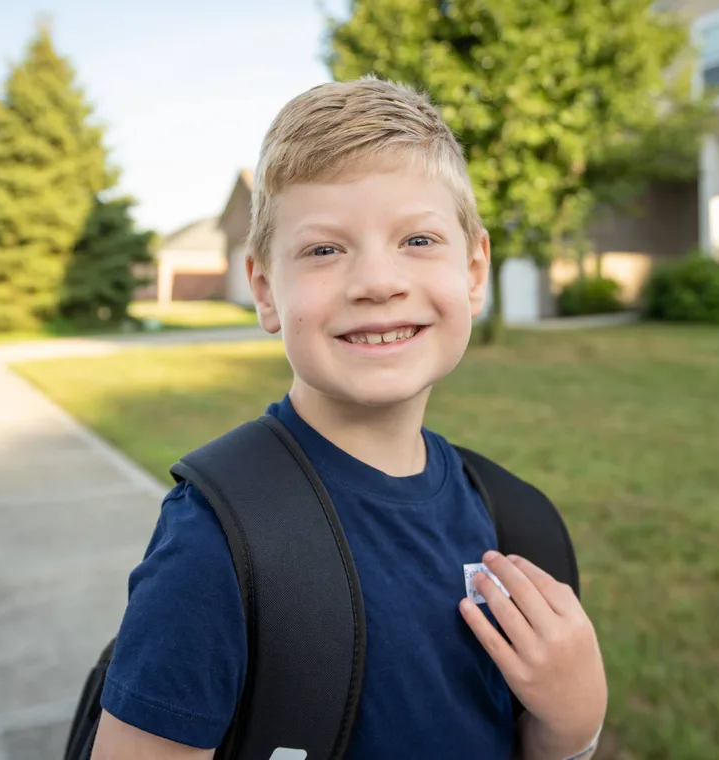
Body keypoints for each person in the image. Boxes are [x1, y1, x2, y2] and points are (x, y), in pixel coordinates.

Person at [90, 75, 608, 760]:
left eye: (418, 241)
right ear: (267, 292)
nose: (377, 282)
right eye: (325, 250)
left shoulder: (516, 521)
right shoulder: (219, 541)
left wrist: (574, 724)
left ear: (475, 271)